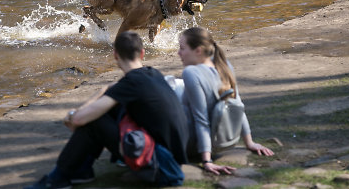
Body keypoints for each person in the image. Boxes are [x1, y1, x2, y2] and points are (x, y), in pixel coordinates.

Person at [25, 31, 189, 189]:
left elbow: (78, 120)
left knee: (95, 120)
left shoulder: (131, 83)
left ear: (115, 55)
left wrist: (74, 114)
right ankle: (82, 171)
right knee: (108, 109)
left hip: (162, 169)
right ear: (142, 54)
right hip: (172, 162)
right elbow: (111, 88)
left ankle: (58, 178)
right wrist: (84, 108)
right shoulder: (152, 74)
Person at [177, 27, 274, 175]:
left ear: (198, 51)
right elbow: (237, 105)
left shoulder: (191, 73)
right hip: (228, 140)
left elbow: (201, 119)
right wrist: (249, 143)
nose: (179, 53)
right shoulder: (225, 65)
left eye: (182, 48)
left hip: (194, 145)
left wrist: (207, 161)